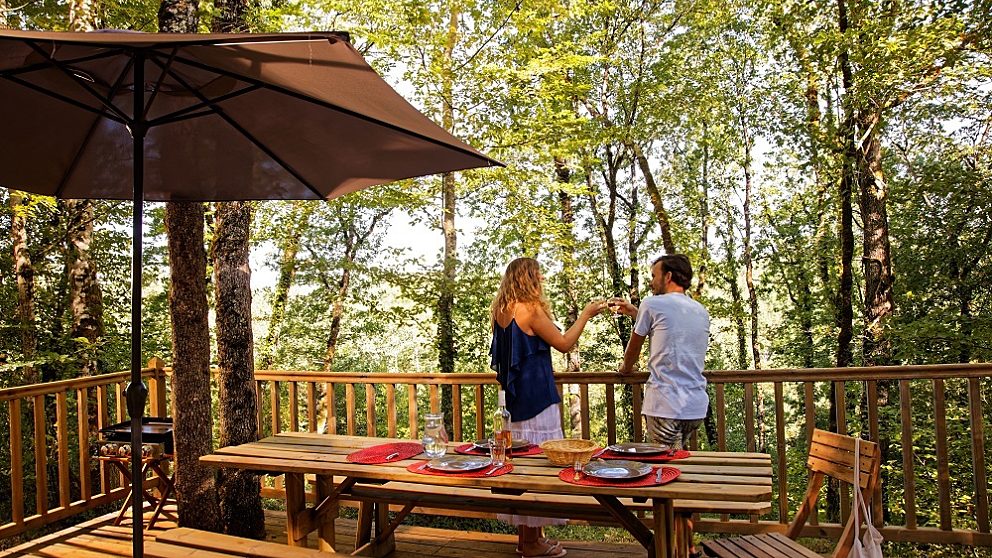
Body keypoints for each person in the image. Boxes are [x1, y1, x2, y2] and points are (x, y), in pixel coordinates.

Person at [490, 257, 606, 558]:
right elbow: (565, 343)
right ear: (528, 277)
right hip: (537, 398)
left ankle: (529, 538)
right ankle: (531, 544)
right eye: (538, 274)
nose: (542, 278)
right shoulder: (530, 309)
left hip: (514, 402)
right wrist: (587, 313)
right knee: (539, 469)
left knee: (522, 468)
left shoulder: (501, 310)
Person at [614, 254, 709, 557]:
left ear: (668, 277)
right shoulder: (699, 309)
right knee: (678, 472)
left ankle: (672, 548)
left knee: (664, 480)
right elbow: (670, 334)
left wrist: (625, 370)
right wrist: (636, 311)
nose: (652, 280)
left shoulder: (653, 304)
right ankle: (683, 546)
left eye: (655, 275)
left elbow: (636, 345)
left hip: (666, 404)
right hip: (694, 406)